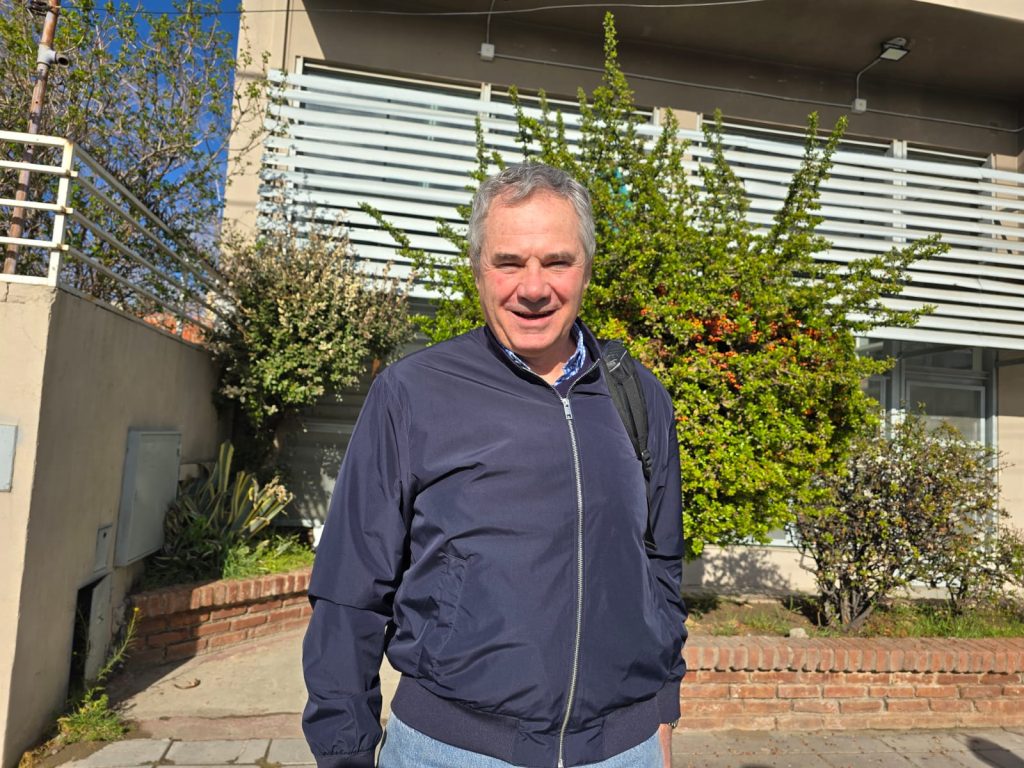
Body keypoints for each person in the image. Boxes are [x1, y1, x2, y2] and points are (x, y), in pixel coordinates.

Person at [302, 162, 687, 768]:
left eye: (557, 262)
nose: (533, 288)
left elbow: (660, 561)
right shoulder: (413, 393)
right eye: (509, 262)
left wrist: (661, 709)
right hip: (450, 750)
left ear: (586, 268)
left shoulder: (639, 396)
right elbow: (349, 589)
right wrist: (344, 752)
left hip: (620, 751)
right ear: (478, 268)